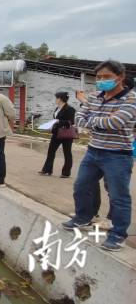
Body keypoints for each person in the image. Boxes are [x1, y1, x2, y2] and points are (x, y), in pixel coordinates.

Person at [63, 60, 136, 251]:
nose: (102, 81)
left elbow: (116, 123)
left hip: (118, 154)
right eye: (99, 77)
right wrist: (96, 121)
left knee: (118, 196)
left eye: (107, 77)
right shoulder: (95, 96)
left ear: (119, 77)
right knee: (81, 186)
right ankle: (82, 217)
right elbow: (78, 117)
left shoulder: (131, 99)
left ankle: (118, 234)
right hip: (93, 150)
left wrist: (91, 121)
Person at [38, 92, 76, 177]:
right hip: (56, 133)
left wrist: (59, 121)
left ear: (60, 99)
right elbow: (55, 119)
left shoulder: (70, 109)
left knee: (67, 153)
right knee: (51, 151)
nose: (55, 100)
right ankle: (47, 170)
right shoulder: (57, 108)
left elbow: (71, 122)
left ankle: (66, 173)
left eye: (56, 98)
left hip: (66, 134)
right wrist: (51, 126)